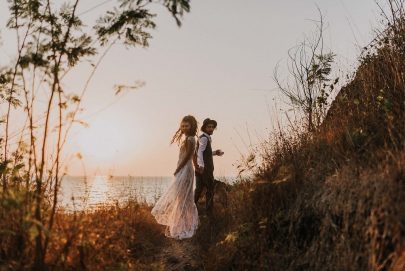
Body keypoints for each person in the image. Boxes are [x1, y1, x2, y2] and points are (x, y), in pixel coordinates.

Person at [151, 115, 199, 239]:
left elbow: (188, 156)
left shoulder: (190, 139)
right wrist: (196, 167)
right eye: (182, 126)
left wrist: (178, 169)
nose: (184, 128)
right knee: (183, 199)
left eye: (186, 126)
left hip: (185, 170)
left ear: (192, 126)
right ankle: (185, 225)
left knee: (183, 199)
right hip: (185, 170)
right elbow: (193, 157)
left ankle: (184, 227)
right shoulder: (190, 138)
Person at [194, 118, 224, 215]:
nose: (211, 129)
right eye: (209, 127)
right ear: (204, 128)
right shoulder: (204, 138)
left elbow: (206, 153)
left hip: (201, 169)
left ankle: (191, 209)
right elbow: (199, 152)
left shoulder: (205, 138)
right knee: (210, 190)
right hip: (205, 169)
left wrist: (216, 153)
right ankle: (209, 213)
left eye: (212, 127)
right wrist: (202, 166)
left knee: (199, 190)